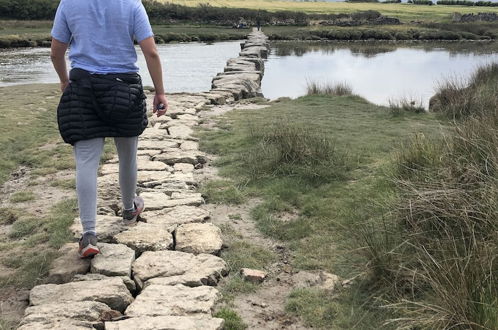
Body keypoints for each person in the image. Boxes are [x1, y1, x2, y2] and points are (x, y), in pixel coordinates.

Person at [50, 0, 168, 258]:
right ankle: (129, 209)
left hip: (83, 89)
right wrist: (159, 91)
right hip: (125, 89)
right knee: (128, 155)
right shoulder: (132, 3)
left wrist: (64, 80)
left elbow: (56, 52)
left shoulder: (69, 3)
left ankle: (89, 234)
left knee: (86, 162)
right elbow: (151, 52)